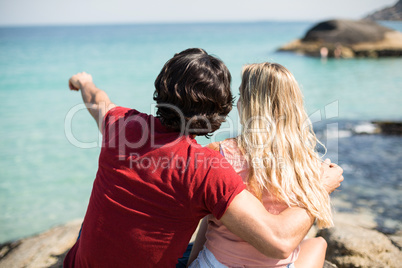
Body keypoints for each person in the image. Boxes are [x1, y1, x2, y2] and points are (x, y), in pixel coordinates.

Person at [63, 49, 343, 267]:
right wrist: (320, 186)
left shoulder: (122, 125)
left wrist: (84, 81)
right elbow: (279, 241)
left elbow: (98, 100)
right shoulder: (208, 169)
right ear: (219, 115)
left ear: (161, 89)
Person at [189, 62, 338, 268]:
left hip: (217, 264)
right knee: (318, 243)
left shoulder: (220, 153)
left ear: (253, 105)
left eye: (242, 96)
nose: (237, 104)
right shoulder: (307, 165)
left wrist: (191, 263)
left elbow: (208, 218)